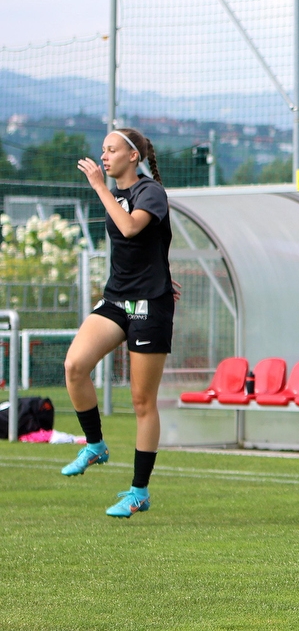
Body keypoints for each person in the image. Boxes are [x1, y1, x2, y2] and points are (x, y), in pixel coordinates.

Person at [62, 127, 179, 518]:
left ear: (134, 156)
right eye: (102, 150)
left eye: (111, 150)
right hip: (116, 299)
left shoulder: (149, 192)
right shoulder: (117, 194)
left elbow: (131, 228)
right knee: (75, 366)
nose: (104, 157)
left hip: (151, 306)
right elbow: (141, 247)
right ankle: (95, 444)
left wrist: (99, 187)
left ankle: (138, 491)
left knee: (141, 402)